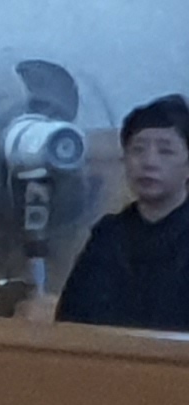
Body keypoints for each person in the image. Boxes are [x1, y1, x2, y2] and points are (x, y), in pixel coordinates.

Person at [56, 93, 189, 332]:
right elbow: (71, 318)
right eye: (138, 150)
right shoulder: (108, 235)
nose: (149, 162)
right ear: (124, 159)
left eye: (165, 151)